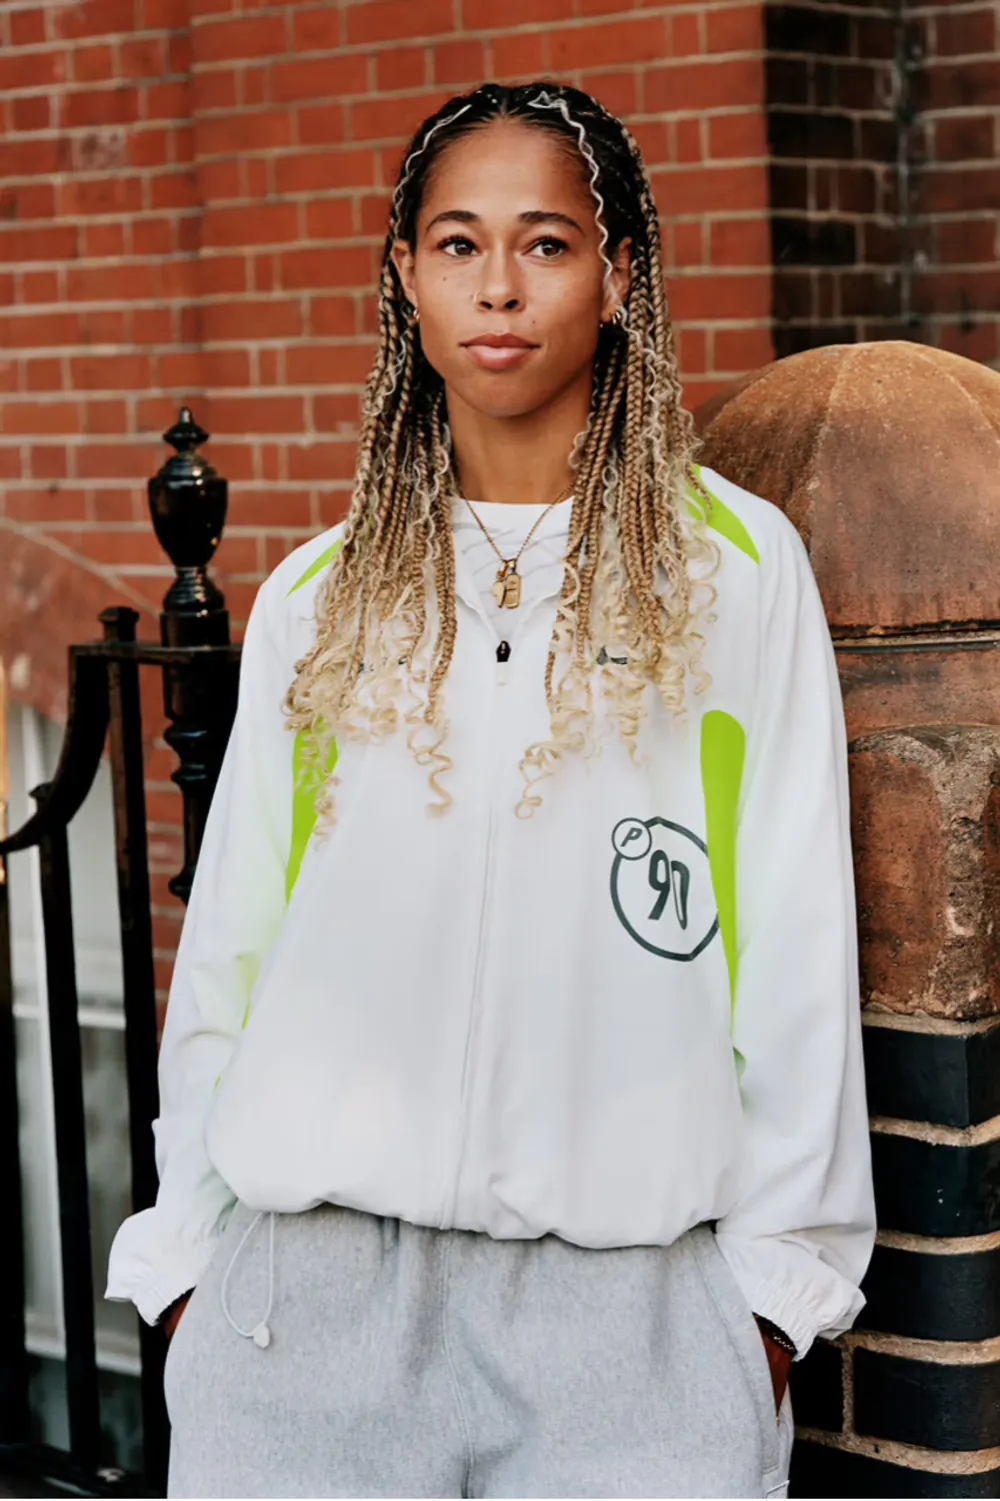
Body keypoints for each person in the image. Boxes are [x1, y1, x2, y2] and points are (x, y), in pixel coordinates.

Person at [106, 80, 875, 1499]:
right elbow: (231, 953)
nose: (499, 287)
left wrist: (769, 1303)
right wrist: (190, 1273)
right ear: (406, 277)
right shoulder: (318, 595)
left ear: (619, 274)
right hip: (305, 1316)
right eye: (458, 244)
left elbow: (797, 945)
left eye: (547, 243)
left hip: (633, 1323)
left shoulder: (733, 573)